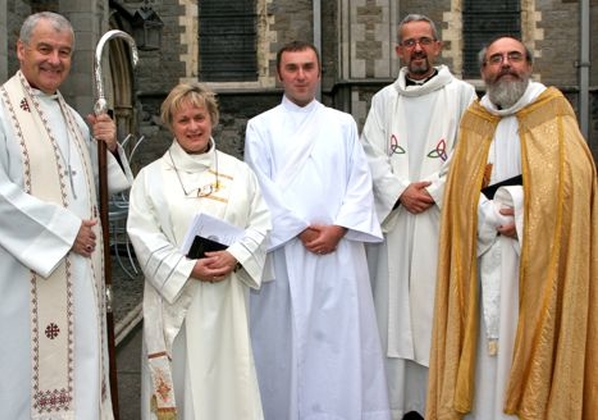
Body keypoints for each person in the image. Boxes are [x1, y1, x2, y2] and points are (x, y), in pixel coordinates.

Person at [0, 11, 132, 419]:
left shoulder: (73, 119)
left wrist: (108, 146)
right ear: (21, 50)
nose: (55, 60)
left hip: (79, 283)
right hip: (20, 282)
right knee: (20, 387)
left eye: (65, 52)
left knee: (81, 381)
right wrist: (65, 231)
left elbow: (96, 184)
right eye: (45, 49)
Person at [426, 36, 597, 419]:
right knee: (482, 355)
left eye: (514, 57)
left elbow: (576, 182)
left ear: (529, 65)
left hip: (536, 263)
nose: (505, 64)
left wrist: (520, 213)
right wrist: (485, 217)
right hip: (481, 258)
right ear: (484, 71)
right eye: (496, 59)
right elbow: (456, 189)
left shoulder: (552, 111)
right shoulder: (475, 119)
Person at [245, 40, 391, 420]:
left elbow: (360, 181)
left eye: (307, 67)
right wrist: (297, 230)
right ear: (279, 74)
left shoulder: (342, 124)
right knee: (285, 345)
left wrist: (339, 228)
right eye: (291, 68)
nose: (300, 75)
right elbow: (259, 186)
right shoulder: (260, 127)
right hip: (287, 252)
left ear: (319, 72)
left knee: (339, 343)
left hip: (338, 254)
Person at [126, 83, 271, 420]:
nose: (193, 127)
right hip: (177, 303)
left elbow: (261, 224)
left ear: (212, 119)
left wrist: (234, 256)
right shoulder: (150, 178)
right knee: (183, 382)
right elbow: (144, 235)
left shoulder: (239, 173)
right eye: (183, 120)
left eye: (199, 117)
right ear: (171, 125)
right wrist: (187, 268)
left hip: (227, 298)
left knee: (228, 381)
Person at [360, 14, 476, 419]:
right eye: (409, 43)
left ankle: (437, 403)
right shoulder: (383, 101)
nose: (417, 50)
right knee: (391, 312)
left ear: (438, 47)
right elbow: (371, 155)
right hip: (397, 225)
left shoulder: (463, 96)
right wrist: (398, 192)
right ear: (398, 51)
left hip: (437, 223)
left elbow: (470, 153)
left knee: (434, 309)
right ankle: (394, 405)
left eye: (425, 41)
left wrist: (435, 192)